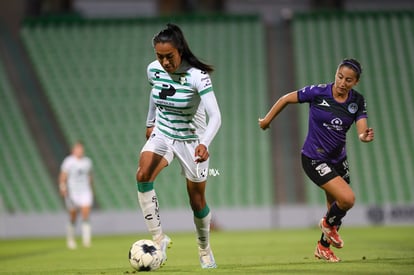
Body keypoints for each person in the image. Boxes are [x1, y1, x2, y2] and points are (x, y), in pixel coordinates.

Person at [259, 58, 374, 262]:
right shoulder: (318, 92)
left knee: (335, 209)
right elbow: (285, 98)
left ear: (355, 82)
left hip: (339, 160)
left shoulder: (357, 101)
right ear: (336, 74)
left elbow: (362, 129)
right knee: (347, 200)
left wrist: (364, 136)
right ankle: (327, 225)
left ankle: (323, 247)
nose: (342, 83)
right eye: (340, 77)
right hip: (314, 158)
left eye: (348, 80)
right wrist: (267, 120)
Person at [135, 23, 221, 269]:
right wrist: (150, 121)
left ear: (180, 51)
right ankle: (159, 239)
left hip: (192, 141)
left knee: (197, 201)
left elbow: (216, 116)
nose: (164, 62)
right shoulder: (153, 70)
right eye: (159, 56)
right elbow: (156, 92)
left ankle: (204, 249)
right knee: (142, 174)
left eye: (169, 56)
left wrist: (204, 143)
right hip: (163, 133)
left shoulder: (197, 76)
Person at [59, 141, 94, 249]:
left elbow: (90, 176)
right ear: (73, 150)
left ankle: (86, 240)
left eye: (81, 148)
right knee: (73, 215)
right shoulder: (68, 161)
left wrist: (91, 188)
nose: (80, 150)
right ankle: (71, 239)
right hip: (73, 192)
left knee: (85, 213)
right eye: (77, 148)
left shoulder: (87, 162)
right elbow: (63, 175)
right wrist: (62, 187)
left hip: (85, 191)